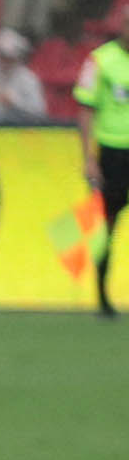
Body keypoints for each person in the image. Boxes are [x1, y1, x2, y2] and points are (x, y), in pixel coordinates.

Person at [73, 17, 129, 317]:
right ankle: (101, 295)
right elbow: (85, 108)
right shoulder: (101, 61)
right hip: (112, 153)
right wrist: (89, 158)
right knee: (105, 225)